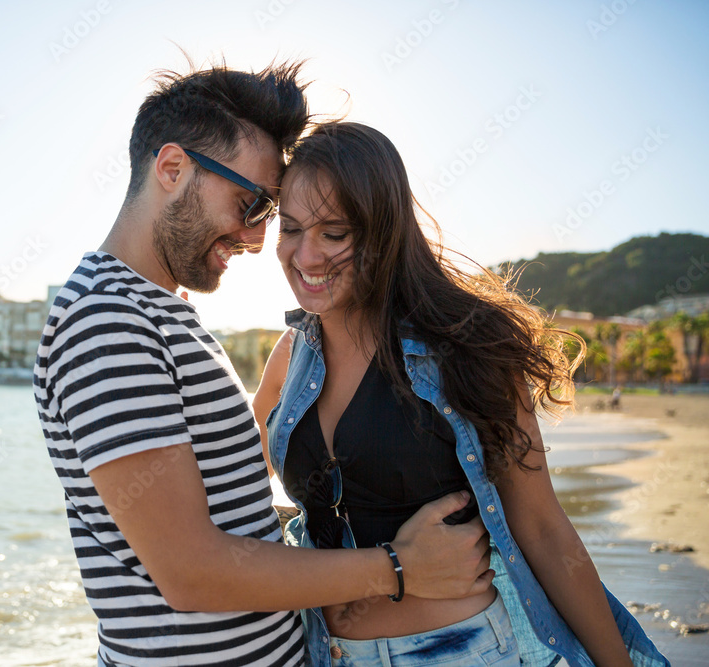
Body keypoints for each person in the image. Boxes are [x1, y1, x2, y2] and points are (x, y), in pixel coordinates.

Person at [33, 63, 496, 667]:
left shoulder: (160, 311)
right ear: (172, 170)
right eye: (249, 203)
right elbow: (190, 572)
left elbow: (227, 498)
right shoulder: (107, 320)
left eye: (265, 213)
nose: (255, 238)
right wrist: (399, 568)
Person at [253, 121, 669, 667]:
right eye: (290, 229)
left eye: (333, 234)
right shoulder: (290, 355)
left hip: (466, 651)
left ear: (382, 231)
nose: (305, 257)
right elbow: (237, 483)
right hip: (325, 653)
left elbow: (543, 528)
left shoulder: (465, 347)